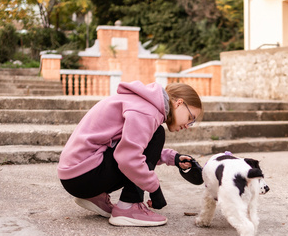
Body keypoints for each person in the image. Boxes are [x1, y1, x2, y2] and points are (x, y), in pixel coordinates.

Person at [57, 81, 203, 227]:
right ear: (179, 103)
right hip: (83, 176)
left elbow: (131, 145)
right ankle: (129, 205)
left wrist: (172, 158)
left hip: (75, 175)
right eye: (190, 118)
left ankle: (95, 197)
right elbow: (128, 157)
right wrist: (155, 189)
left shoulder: (142, 104)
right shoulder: (147, 111)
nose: (187, 126)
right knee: (157, 134)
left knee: (153, 136)